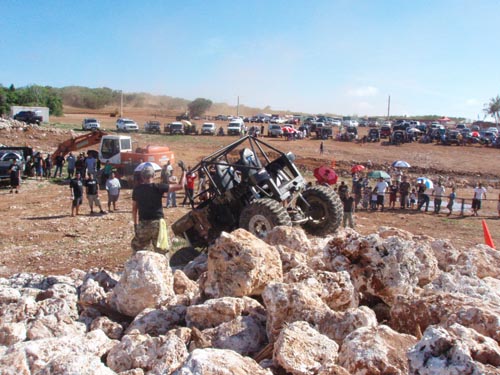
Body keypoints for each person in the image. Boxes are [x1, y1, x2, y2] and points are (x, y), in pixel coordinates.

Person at [131, 163, 186, 254]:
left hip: (143, 224)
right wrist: (184, 172)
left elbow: (134, 209)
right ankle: (163, 267)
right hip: (158, 224)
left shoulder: (137, 190)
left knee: (139, 251)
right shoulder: (159, 187)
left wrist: (136, 225)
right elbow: (181, 186)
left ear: (142, 176)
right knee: (162, 251)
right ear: (153, 175)